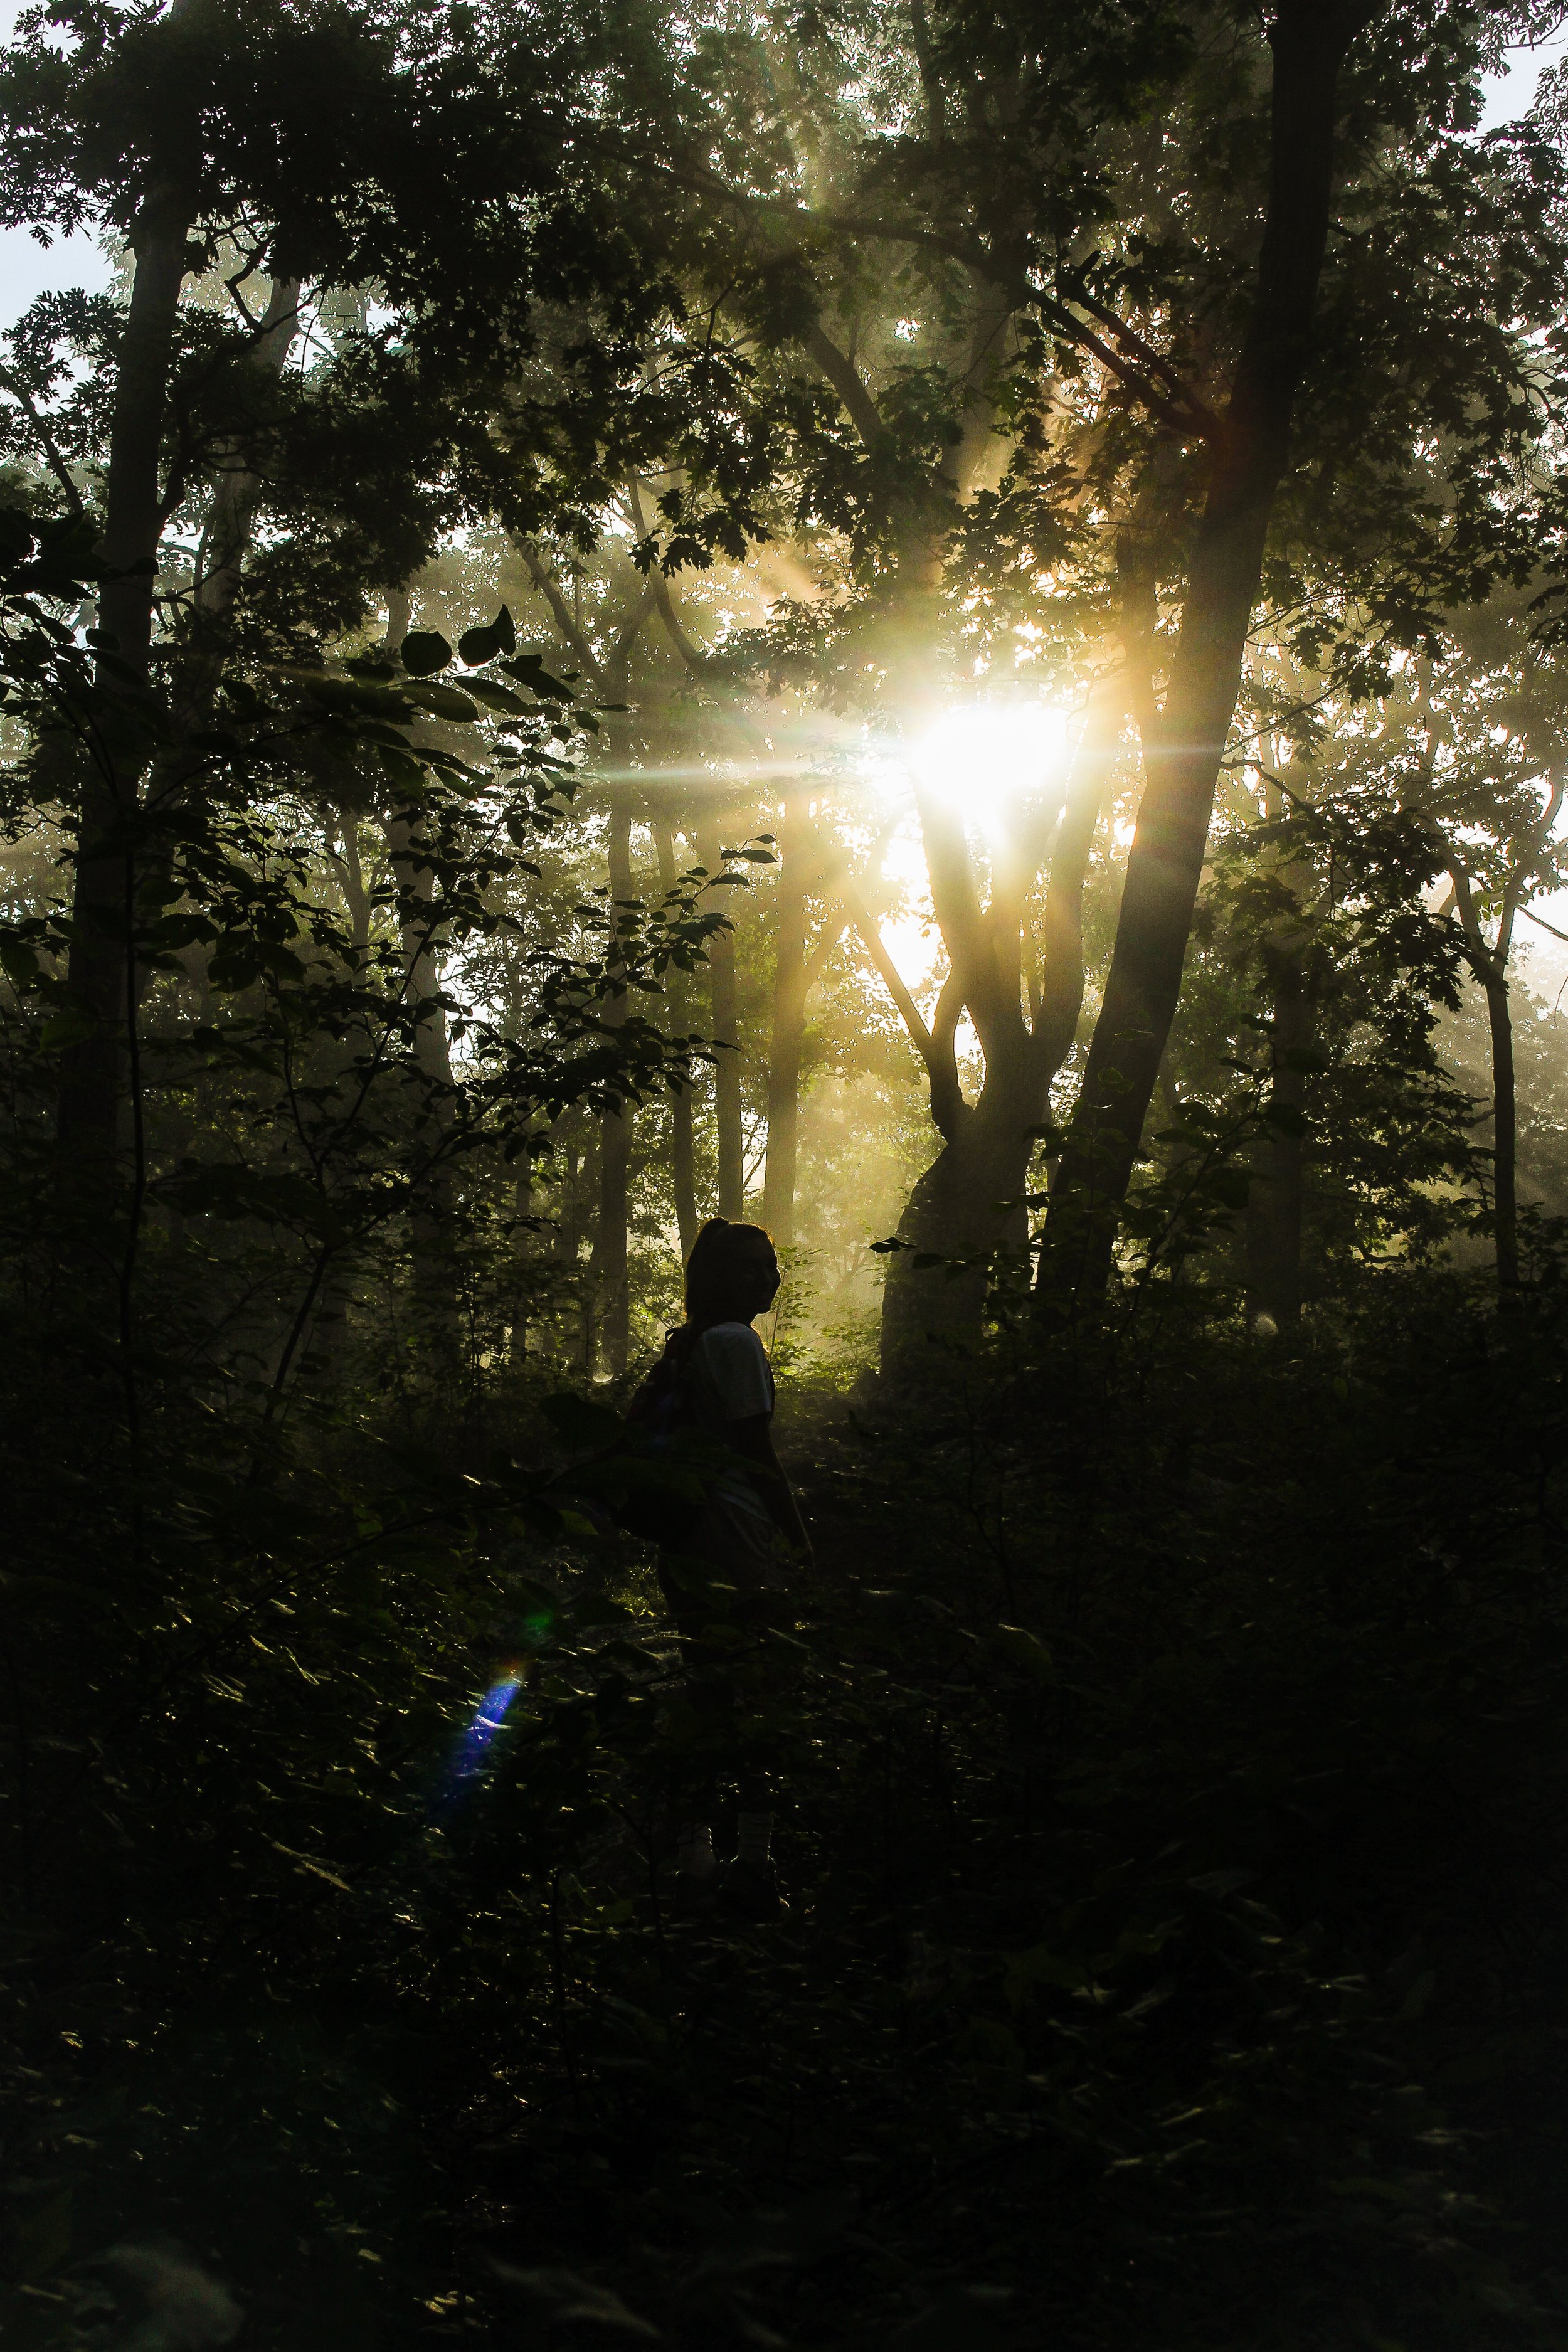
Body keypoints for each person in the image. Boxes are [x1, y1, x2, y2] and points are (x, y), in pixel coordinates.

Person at [629, 1217, 811, 1917]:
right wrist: (798, 1539)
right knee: (764, 1696)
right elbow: (756, 1455)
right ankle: (752, 1863)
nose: (766, 1278)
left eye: (769, 1265)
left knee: (708, 1692)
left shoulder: (696, 1340)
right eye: (749, 1267)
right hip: (735, 1540)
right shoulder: (735, 1340)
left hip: (689, 1539)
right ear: (716, 1278)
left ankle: (694, 1858)